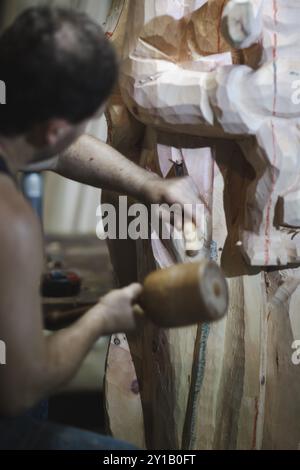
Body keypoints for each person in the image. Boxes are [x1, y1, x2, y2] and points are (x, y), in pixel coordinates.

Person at [0, 6, 203, 450]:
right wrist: (100, 320)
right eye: (79, 126)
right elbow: (19, 387)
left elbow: (56, 151)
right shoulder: (11, 223)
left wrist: (150, 185)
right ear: (54, 128)